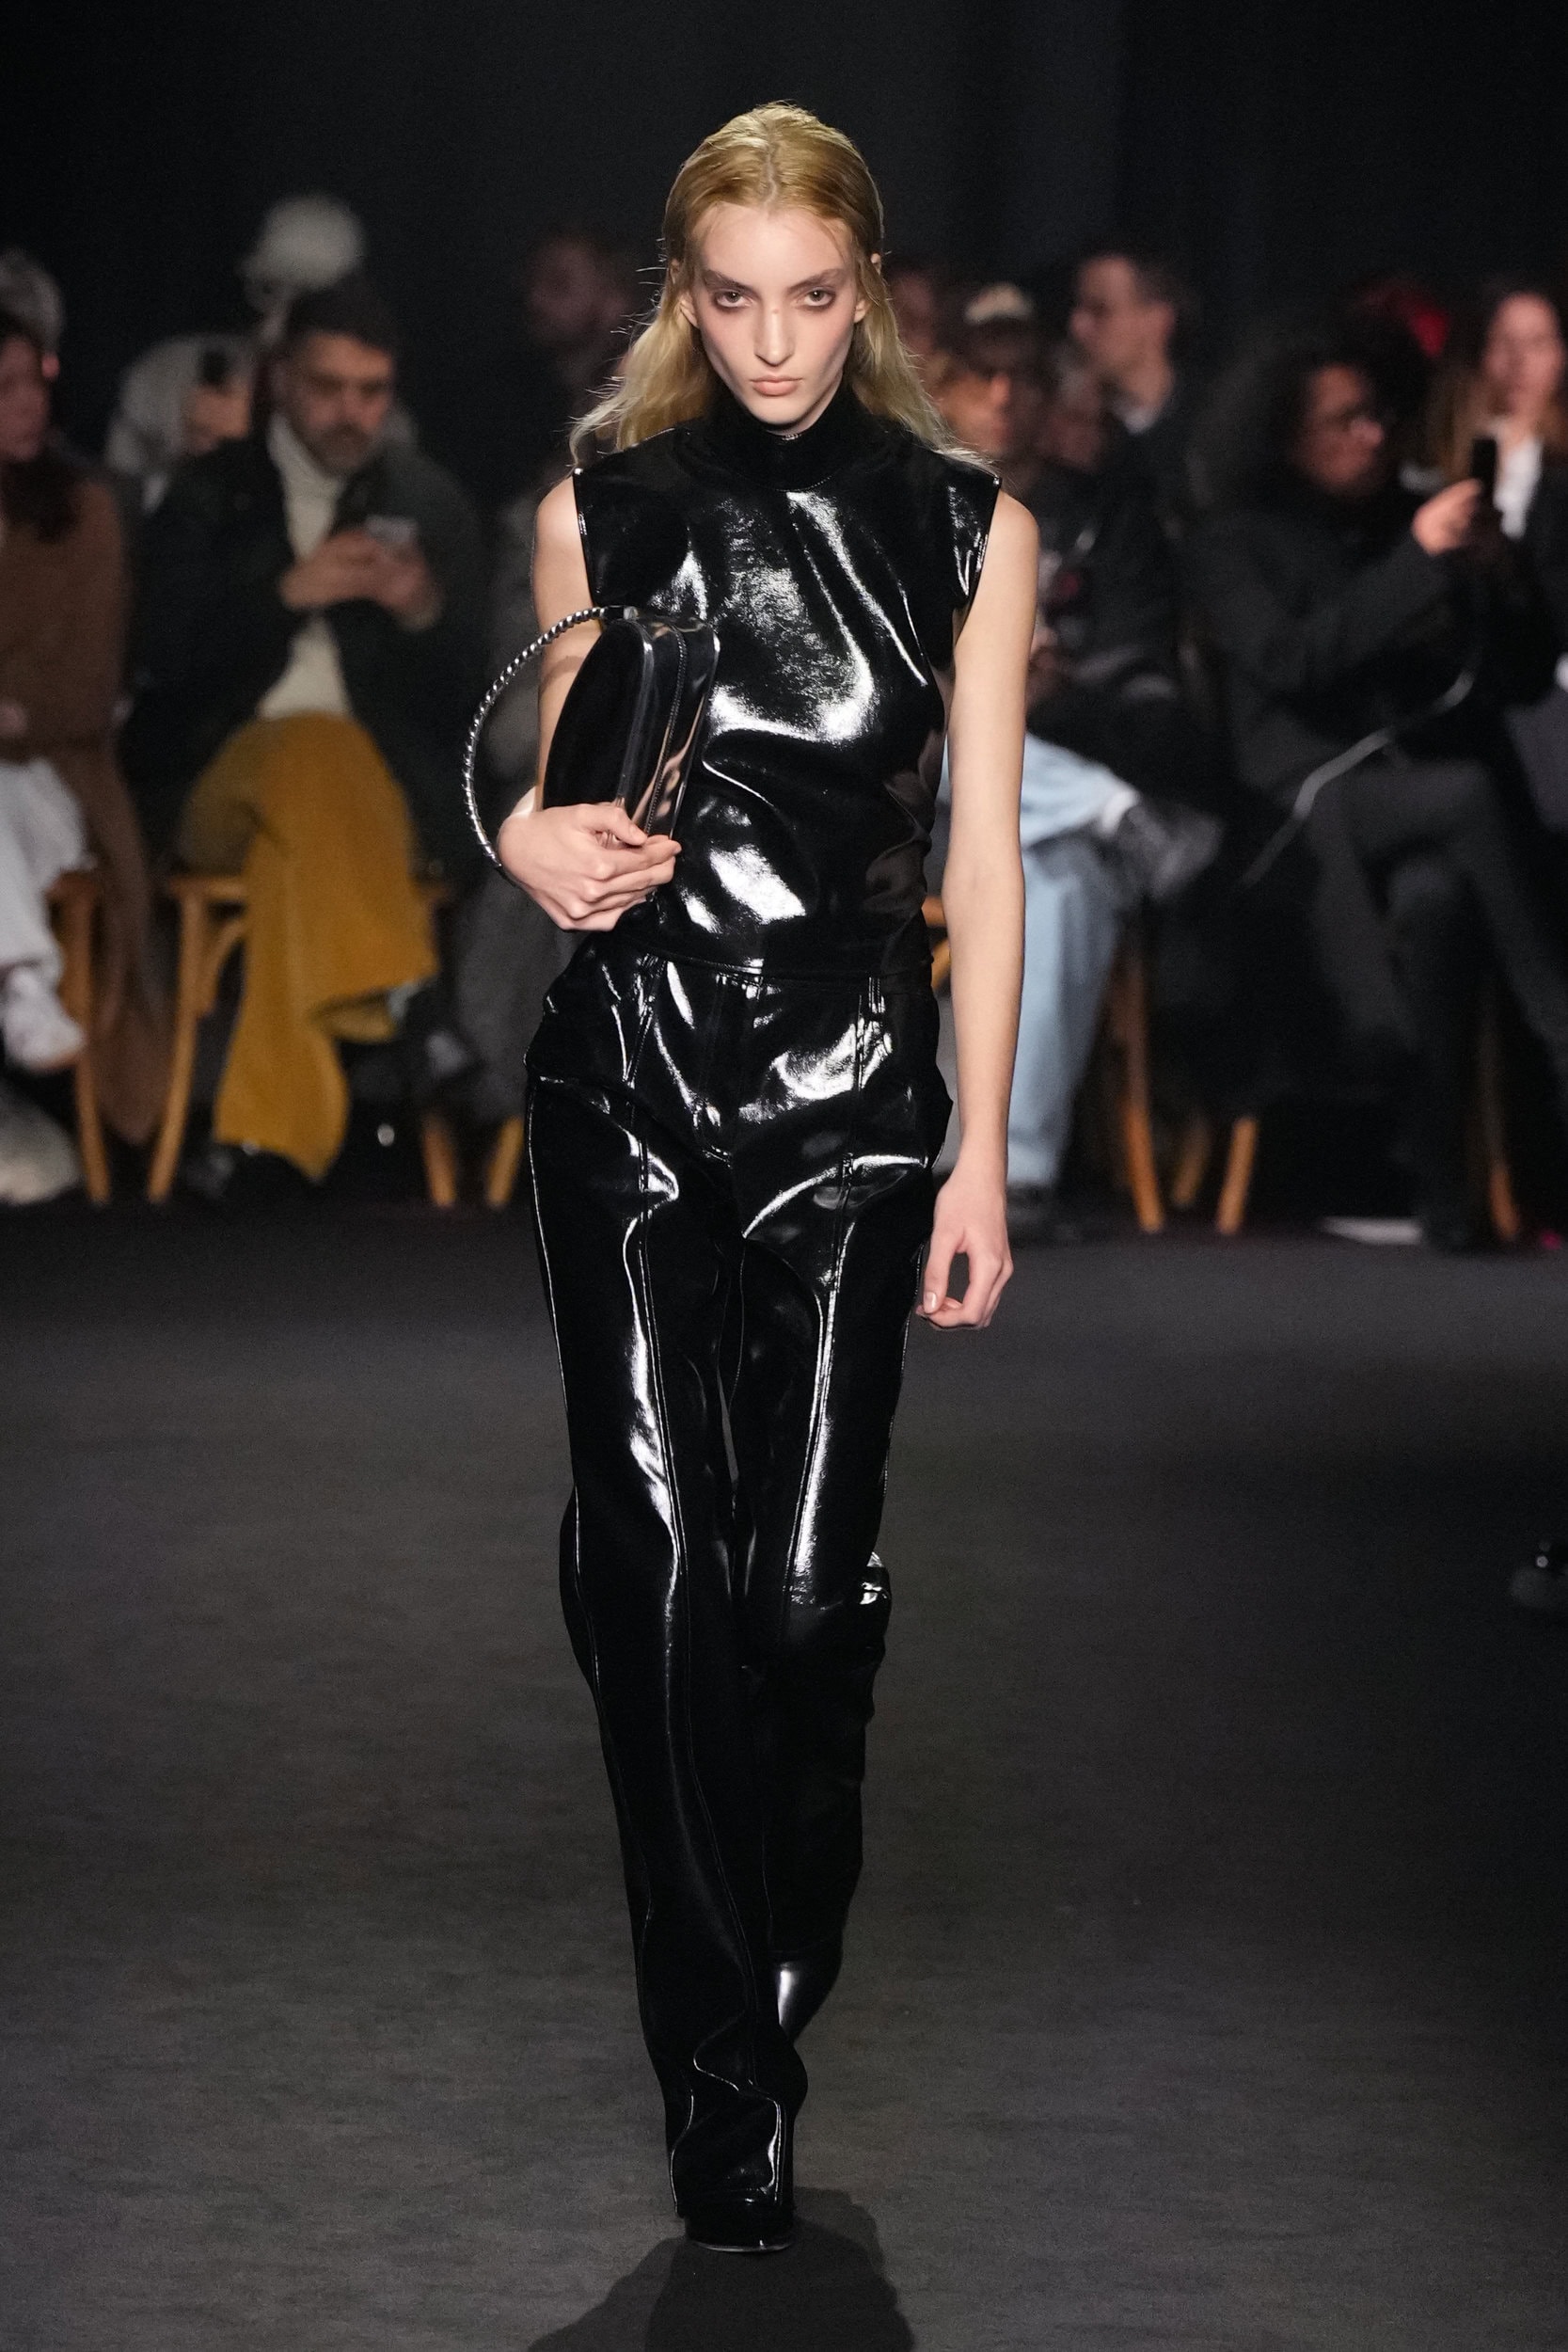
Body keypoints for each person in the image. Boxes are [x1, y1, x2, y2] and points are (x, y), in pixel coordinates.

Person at [497, 103, 1031, 2250]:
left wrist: (983, 1156)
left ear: (866, 289)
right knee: (654, 1569)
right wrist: (520, 840)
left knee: (801, 1602)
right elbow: (559, 787)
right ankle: (720, 2072)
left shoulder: (967, 527)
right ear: (683, 296)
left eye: (813, 297)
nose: (778, 342)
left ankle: (780, 1937)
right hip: (626, 1068)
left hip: (851, 1089)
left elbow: (984, 859)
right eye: (734, 299)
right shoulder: (602, 502)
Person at [1188, 323, 1568, 1247]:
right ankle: (1560, 1030)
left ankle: (1439, 1188)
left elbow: (1516, 679)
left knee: (1436, 899)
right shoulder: (1234, 543)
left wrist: (1500, 577)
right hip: (1296, 806)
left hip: (1401, 801)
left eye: (1377, 416)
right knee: (1467, 794)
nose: (1371, 435)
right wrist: (1415, 564)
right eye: (1344, 420)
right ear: (1285, 436)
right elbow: (1295, 659)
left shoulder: (1403, 521)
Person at [123, 275, 484, 1200]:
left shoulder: (428, 501)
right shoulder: (210, 494)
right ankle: (403, 993)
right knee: (312, 751)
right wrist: (286, 595)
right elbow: (159, 662)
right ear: (280, 379)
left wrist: (422, 612)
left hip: (384, 803)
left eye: (371, 391)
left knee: (309, 827)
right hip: (218, 776)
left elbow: (473, 704)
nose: (350, 412)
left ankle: (266, 1140)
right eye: (327, 387)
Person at [934, 321, 1216, 1239]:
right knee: (930, 734)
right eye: (981, 377)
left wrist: (1060, 687)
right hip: (909, 808)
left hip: (1038, 782)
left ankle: (1010, 1173)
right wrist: (968, 682)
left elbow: (1143, 667)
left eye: (1022, 378)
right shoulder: (895, 504)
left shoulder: (1103, 517)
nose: (1002, 398)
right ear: (940, 388)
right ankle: (1114, 812)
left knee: (1058, 873)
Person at [0, 308, 167, 1191]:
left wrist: (22, 710)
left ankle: (25, 973)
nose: (28, 404)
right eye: (5, 388)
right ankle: (21, 975)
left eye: (37, 382)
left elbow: (84, 691)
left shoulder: (82, 512)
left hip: (61, 783)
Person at [105, 195, 369, 515]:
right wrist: (189, 466)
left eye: (309, 299)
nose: (284, 315)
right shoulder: (165, 377)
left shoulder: (371, 413)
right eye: (271, 288)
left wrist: (249, 462)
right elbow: (115, 508)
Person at [1427, 280, 1568, 833]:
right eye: (1502, 342)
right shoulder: (1433, 467)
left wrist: (1508, 567)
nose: (1518, 363)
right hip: (1463, 690)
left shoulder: (1559, 469)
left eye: (1538, 343)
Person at [1069, 245, 1198, 525]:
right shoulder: (1071, 433)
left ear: (1157, 320)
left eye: (1100, 310)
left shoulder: (1212, 428)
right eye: (1079, 308)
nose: (1077, 325)